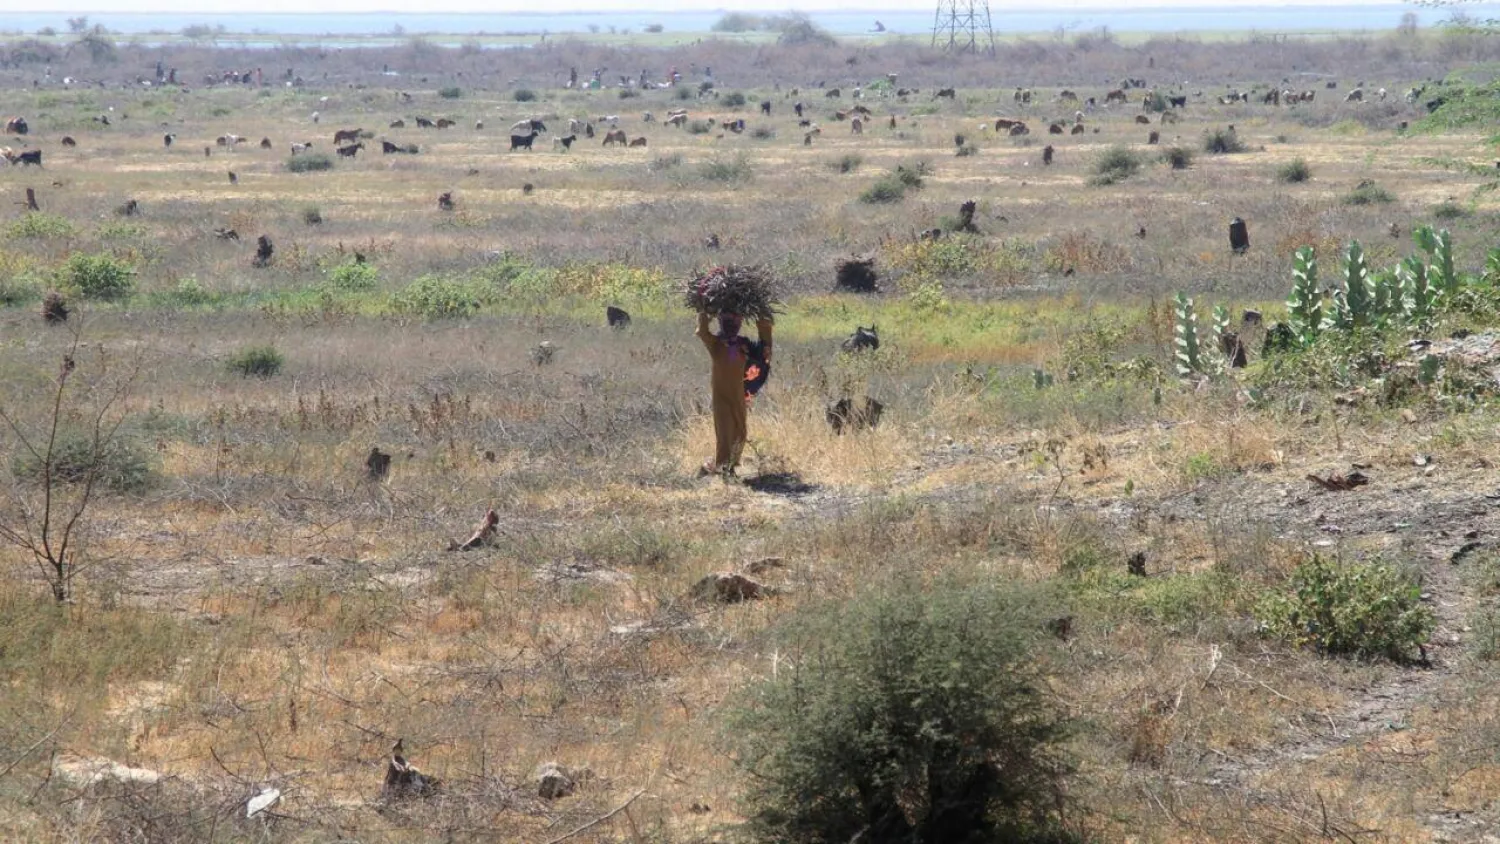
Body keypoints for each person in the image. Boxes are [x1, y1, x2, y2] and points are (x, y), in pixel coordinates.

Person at [697, 310, 772, 476]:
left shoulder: (743, 344)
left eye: (736, 320)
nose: (732, 324)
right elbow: (702, 332)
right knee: (725, 431)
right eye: (728, 320)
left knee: (740, 431)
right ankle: (723, 468)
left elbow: (764, 354)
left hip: (738, 396)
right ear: (721, 322)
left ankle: (730, 465)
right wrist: (704, 313)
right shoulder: (715, 343)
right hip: (721, 396)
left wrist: (764, 325)